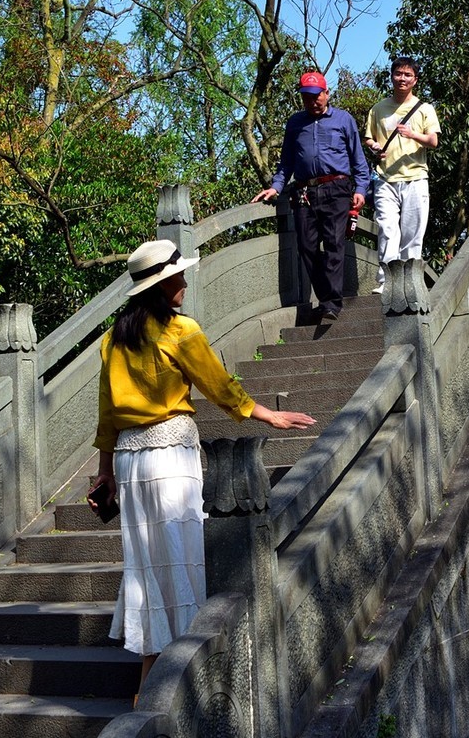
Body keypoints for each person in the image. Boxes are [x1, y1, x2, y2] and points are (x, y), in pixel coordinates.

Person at [89, 238, 314, 700]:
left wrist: (105, 471)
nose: (185, 281)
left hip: (131, 462)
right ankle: (185, 682)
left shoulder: (113, 340)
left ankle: (147, 686)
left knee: (149, 569)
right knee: (184, 561)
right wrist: (268, 415)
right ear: (160, 284)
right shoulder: (179, 331)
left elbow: (107, 415)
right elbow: (218, 384)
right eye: (178, 275)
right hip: (170, 458)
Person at [253, 71, 371, 321]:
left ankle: (330, 303)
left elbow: (358, 159)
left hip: (337, 188)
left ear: (326, 94)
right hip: (304, 191)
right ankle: (327, 298)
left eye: (316, 96)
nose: (312, 101)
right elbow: (287, 162)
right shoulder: (295, 123)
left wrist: (361, 189)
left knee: (333, 244)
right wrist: (276, 186)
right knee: (306, 246)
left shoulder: (343, 119)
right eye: (307, 97)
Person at [363, 55, 441, 294]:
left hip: (415, 178)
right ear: (391, 76)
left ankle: (409, 283)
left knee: (412, 234)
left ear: (415, 80)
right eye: (398, 73)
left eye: (408, 75)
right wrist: (373, 146)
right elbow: (368, 137)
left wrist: (412, 134)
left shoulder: (425, 109)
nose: (402, 78)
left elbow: (433, 141)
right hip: (386, 178)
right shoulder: (379, 109)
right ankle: (387, 282)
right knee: (387, 229)